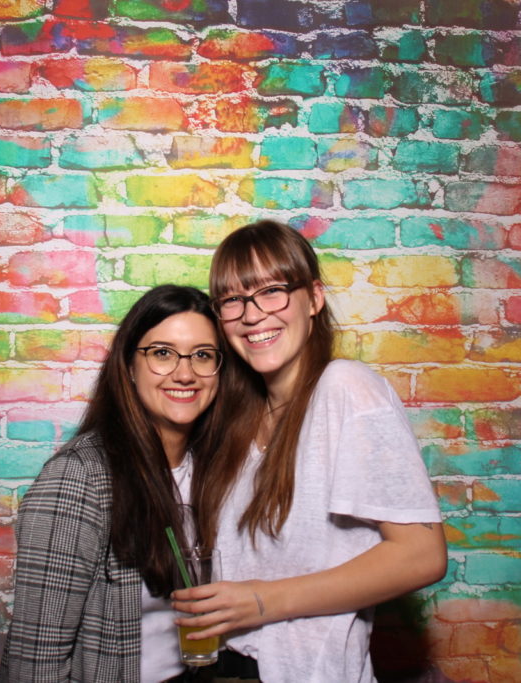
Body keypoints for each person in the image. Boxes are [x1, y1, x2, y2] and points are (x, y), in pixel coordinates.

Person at [175, 220, 447, 682]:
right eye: (233, 300)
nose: (252, 315)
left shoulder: (345, 387)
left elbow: (422, 554)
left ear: (314, 298)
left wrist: (263, 600)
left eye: (272, 292)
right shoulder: (237, 422)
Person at [0, 285, 240, 682]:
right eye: (162, 353)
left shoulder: (218, 471)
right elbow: (36, 664)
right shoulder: (79, 479)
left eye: (202, 355)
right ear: (129, 366)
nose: (185, 373)